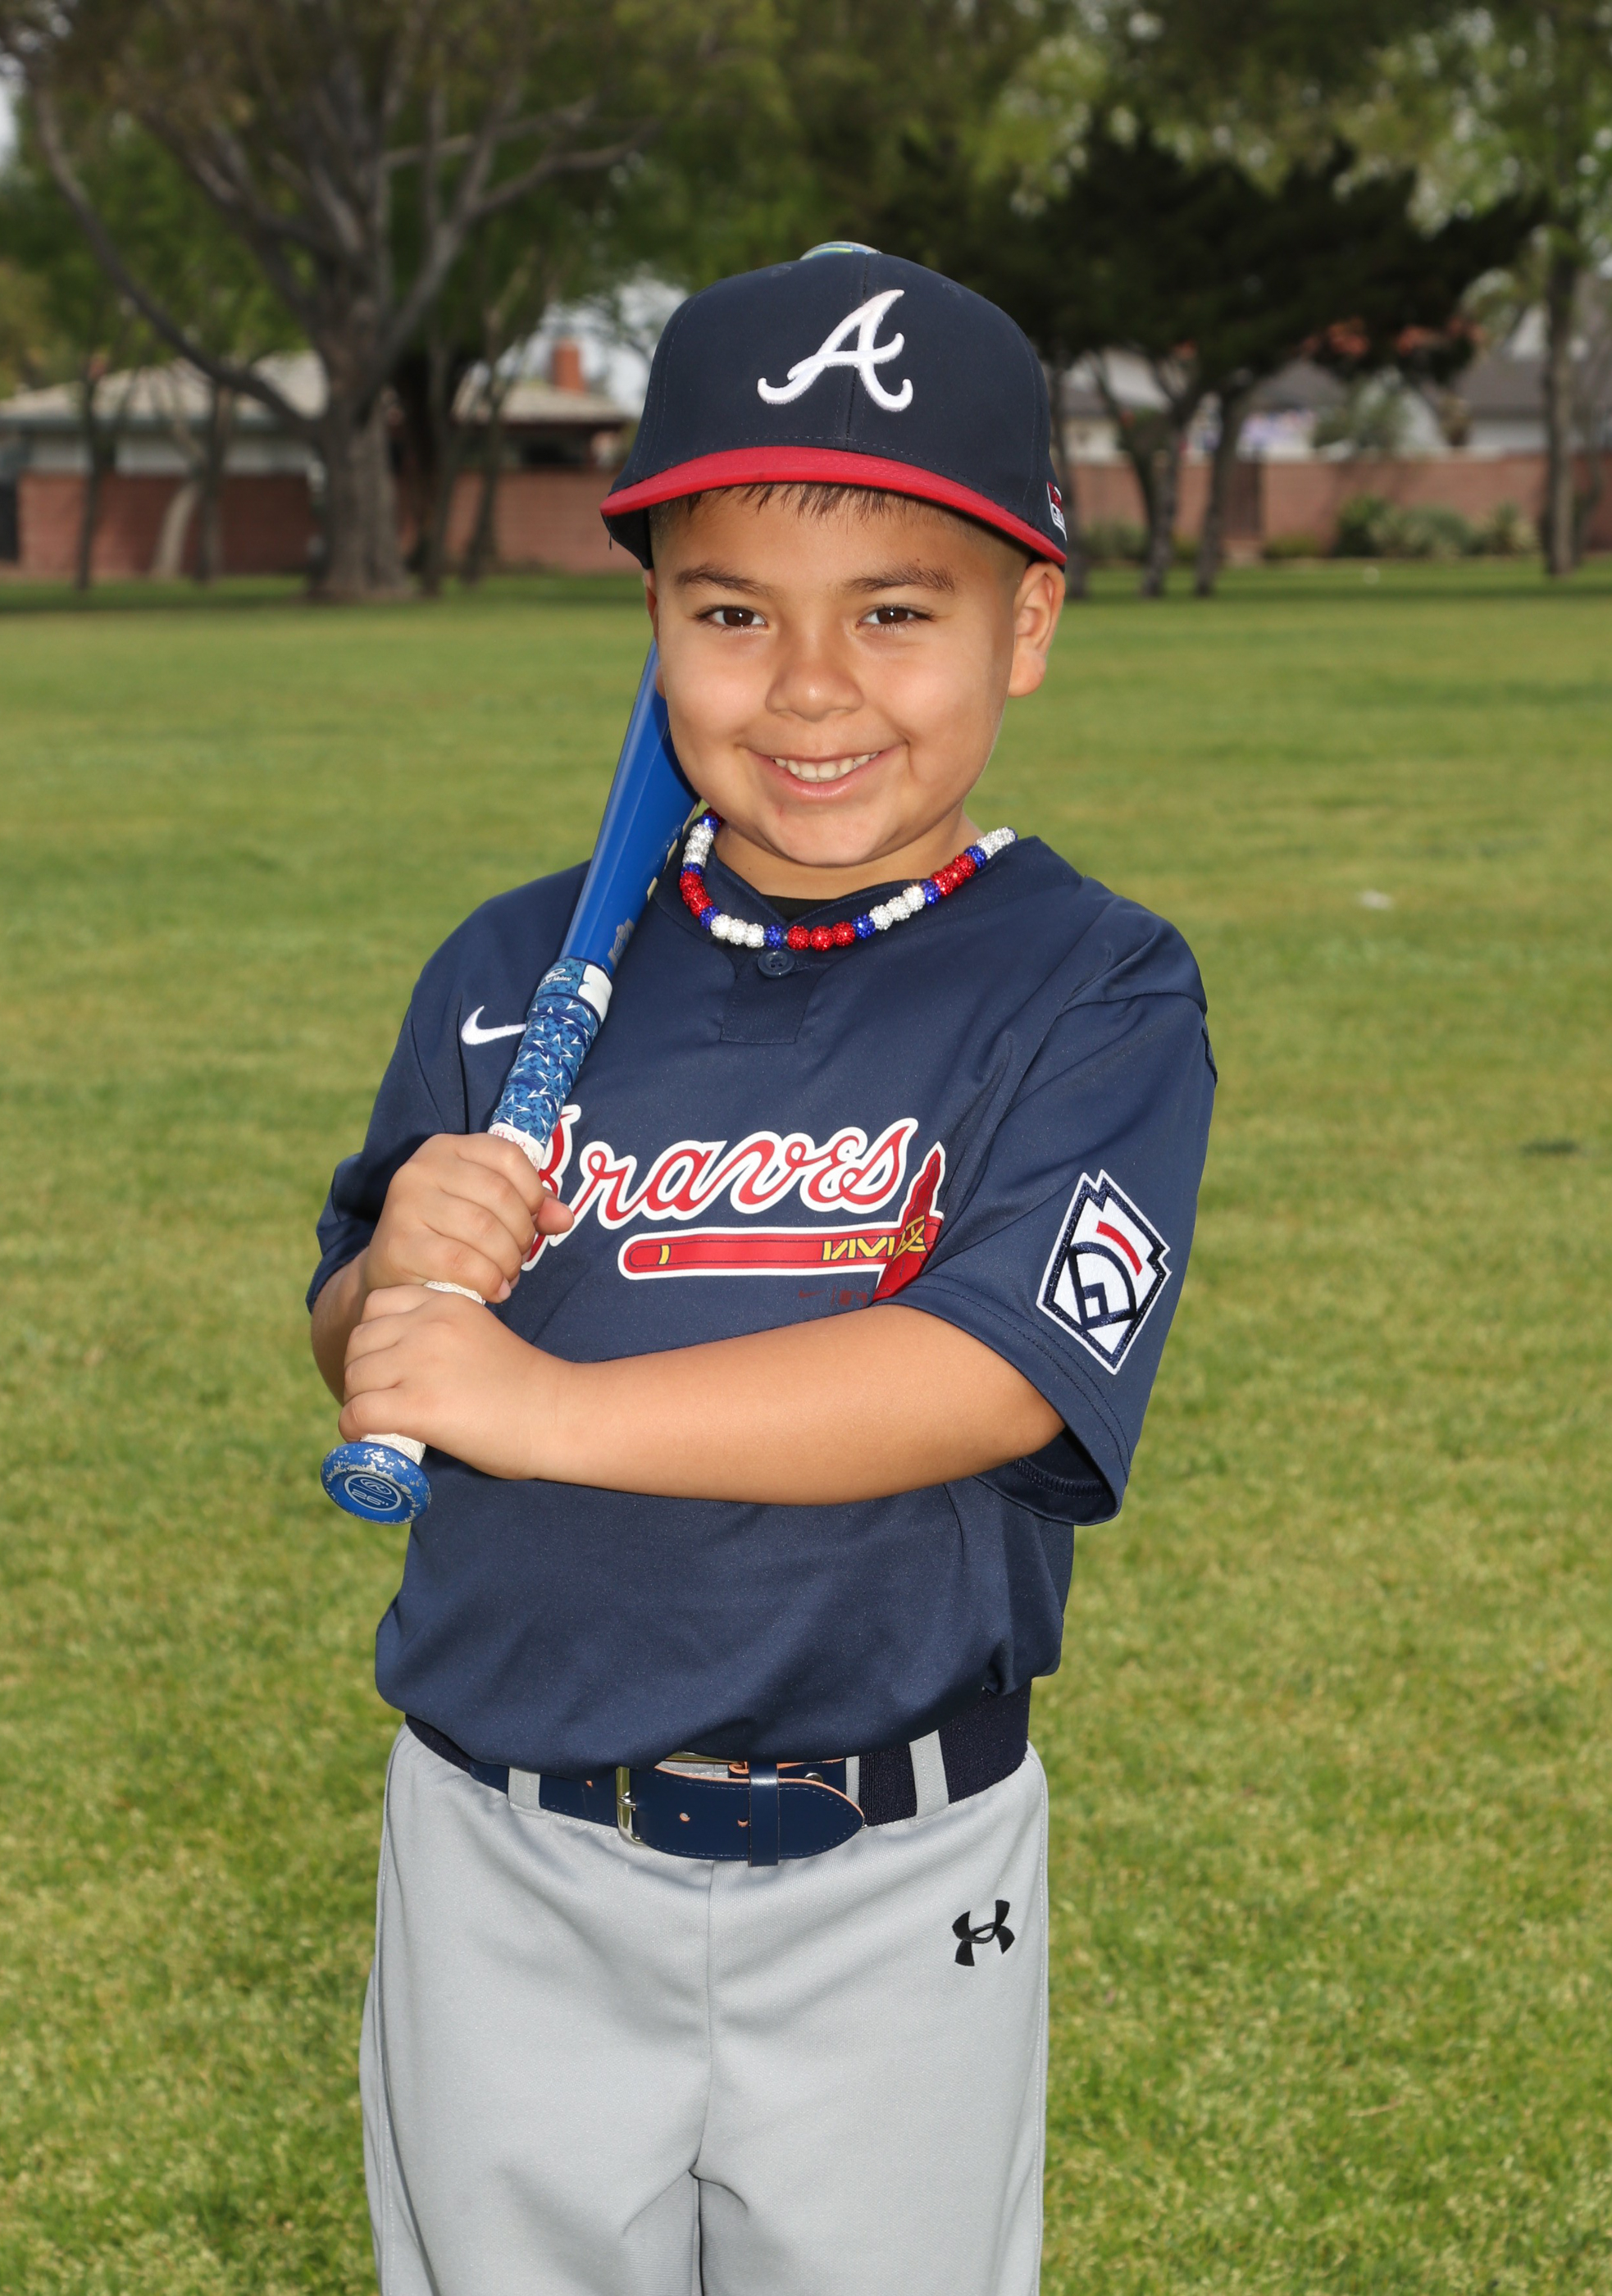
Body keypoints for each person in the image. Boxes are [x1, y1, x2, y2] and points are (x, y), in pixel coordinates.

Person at [309, 244, 1214, 2296]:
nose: (807, 686)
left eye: (894, 610)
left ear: (1028, 622)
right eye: (731, 613)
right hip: (506, 1842)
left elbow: (988, 1372)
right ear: (654, 621)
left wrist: (542, 1404)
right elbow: (372, 1339)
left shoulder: (1095, 990)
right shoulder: (510, 970)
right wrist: (396, 1287)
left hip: (896, 1863)